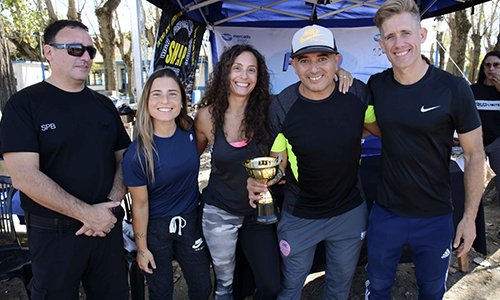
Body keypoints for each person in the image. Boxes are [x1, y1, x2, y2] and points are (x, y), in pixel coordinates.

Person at [247, 24, 380, 300]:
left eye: (323, 58)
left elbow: (378, 130)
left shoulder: (357, 95)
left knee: (339, 288)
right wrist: (261, 181)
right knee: (291, 288)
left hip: (349, 213)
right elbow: (278, 164)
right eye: (305, 60)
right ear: (293, 65)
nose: (314, 68)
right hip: (299, 216)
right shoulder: (282, 107)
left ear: (336, 60)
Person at [0, 20, 130, 299]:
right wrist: (87, 214)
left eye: (90, 51)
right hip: (53, 236)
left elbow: (125, 159)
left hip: (106, 229)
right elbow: (24, 176)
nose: (85, 57)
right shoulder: (24, 105)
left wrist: (110, 205)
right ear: (48, 52)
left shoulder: (104, 105)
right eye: (74, 49)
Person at [365, 0, 485, 299]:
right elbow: (367, 123)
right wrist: (339, 75)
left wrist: (469, 218)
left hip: (435, 217)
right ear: (381, 43)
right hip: (386, 214)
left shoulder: (454, 88)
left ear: (422, 35)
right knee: (377, 289)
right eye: (390, 36)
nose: (398, 43)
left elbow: (474, 155)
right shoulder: (376, 86)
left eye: (405, 32)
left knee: (432, 292)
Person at [194, 44, 280, 300]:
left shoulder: (271, 109)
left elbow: (279, 160)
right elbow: (188, 163)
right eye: (237, 68)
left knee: (271, 286)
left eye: (251, 70)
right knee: (224, 286)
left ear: (259, 76)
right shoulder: (206, 117)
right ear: (225, 73)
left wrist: (339, 73)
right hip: (219, 211)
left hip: (259, 213)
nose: (244, 76)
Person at [122, 68, 212, 300]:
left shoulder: (190, 132)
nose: (165, 101)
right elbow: (139, 206)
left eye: (172, 94)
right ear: (147, 101)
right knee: (161, 292)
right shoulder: (136, 155)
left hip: (190, 221)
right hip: (156, 229)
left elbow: (190, 162)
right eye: (157, 94)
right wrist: (142, 250)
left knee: (202, 286)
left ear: (182, 101)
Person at [471, 51, 500, 211]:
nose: (491, 69)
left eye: (496, 65)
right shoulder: (473, 90)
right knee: (472, 185)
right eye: (487, 65)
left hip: (497, 142)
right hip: (475, 144)